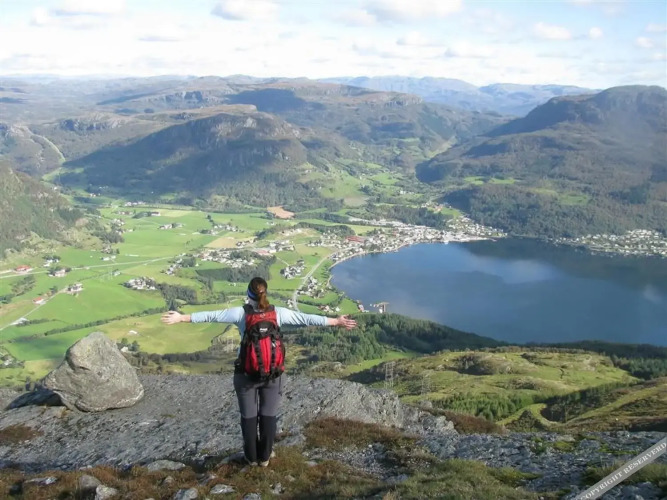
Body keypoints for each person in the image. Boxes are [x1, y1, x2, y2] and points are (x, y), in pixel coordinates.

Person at [161, 276, 357, 467]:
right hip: (273, 374)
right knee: (268, 416)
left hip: (246, 374)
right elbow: (306, 318)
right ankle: (264, 458)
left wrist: (181, 318)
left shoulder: (241, 313)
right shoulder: (278, 313)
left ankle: (251, 458)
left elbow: (212, 315)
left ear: (248, 294)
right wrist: (336, 321)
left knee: (249, 417)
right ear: (266, 293)